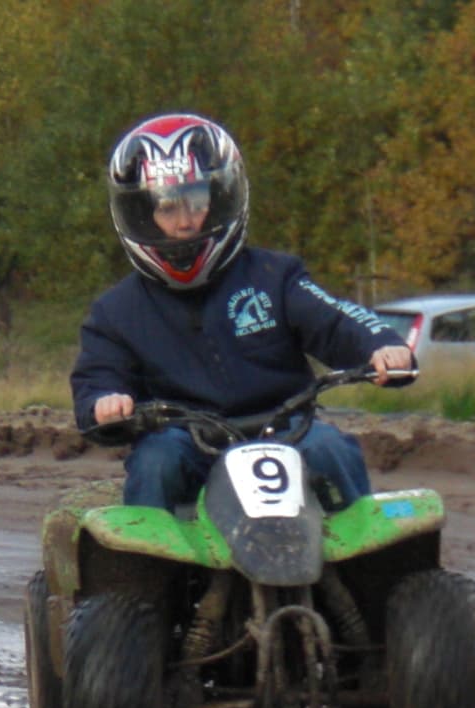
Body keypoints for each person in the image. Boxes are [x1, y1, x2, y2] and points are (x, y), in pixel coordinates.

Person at [71, 112, 414, 513]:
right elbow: (97, 377)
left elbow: (335, 320)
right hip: (184, 438)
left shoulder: (275, 277)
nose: (184, 222)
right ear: (143, 214)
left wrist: (382, 346)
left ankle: (370, 570)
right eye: (167, 208)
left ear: (219, 199)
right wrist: (105, 401)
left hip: (286, 428)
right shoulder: (117, 312)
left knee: (330, 448)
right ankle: (142, 575)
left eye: (195, 202)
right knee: (155, 462)